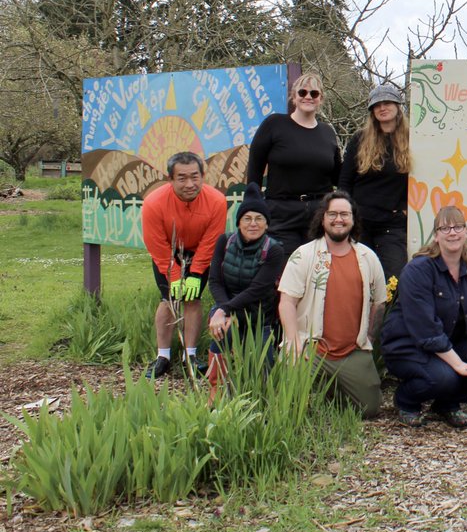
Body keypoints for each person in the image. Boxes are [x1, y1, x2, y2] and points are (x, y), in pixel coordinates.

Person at [381, 206, 467, 428]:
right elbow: (426, 330)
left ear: (466, 232)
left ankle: (447, 404)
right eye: (445, 228)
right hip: (409, 346)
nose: (452, 233)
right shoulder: (418, 270)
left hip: (449, 342)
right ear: (436, 236)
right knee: (445, 377)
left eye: (458, 227)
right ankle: (406, 401)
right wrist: (459, 366)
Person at [277, 191, 388, 418]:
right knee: (289, 405)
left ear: (353, 219)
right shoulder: (303, 255)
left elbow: (379, 303)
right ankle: (318, 386)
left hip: (351, 351)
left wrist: (368, 338)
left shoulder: (368, 258)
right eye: (333, 214)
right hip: (310, 348)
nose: (339, 219)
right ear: (323, 218)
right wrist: (293, 341)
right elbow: (287, 302)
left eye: (345, 214)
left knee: (369, 409)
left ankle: (332, 391)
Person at [141, 151, 228, 379]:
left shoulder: (217, 201)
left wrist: (196, 272)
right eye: (182, 178)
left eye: (194, 177)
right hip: (168, 253)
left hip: (199, 251)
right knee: (168, 300)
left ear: (202, 176)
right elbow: (155, 243)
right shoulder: (153, 203)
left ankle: (190, 355)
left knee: (192, 299)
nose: (189, 184)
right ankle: (163, 356)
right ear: (170, 179)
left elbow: (211, 240)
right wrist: (175, 275)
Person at [247, 72, 342, 260]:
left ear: (321, 98)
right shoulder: (274, 124)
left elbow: (338, 176)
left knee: (319, 269)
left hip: (319, 214)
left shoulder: (327, 132)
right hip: (281, 213)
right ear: (294, 96)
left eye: (314, 93)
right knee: (286, 268)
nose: (308, 96)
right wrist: (253, 205)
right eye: (302, 92)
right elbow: (255, 169)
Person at [206, 182, 286, 381]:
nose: (253, 224)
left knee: (262, 376)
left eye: (259, 219)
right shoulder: (224, 242)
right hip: (228, 311)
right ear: (239, 222)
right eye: (247, 218)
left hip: (259, 318)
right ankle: (216, 385)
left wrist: (223, 309)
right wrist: (223, 310)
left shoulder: (274, 250)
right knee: (221, 330)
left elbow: (257, 289)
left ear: (267, 224)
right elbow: (215, 281)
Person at [338, 82, 412, 283]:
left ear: (398, 106)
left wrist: (406, 209)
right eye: (377, 105)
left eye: (387, 102)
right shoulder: (360, 139)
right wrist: (345, 213)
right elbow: (345, 181)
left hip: (392, 224)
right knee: (358, 279)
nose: (382, 108)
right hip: (360, 222)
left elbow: (419, 180)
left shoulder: (412, 139)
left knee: (395, 279)